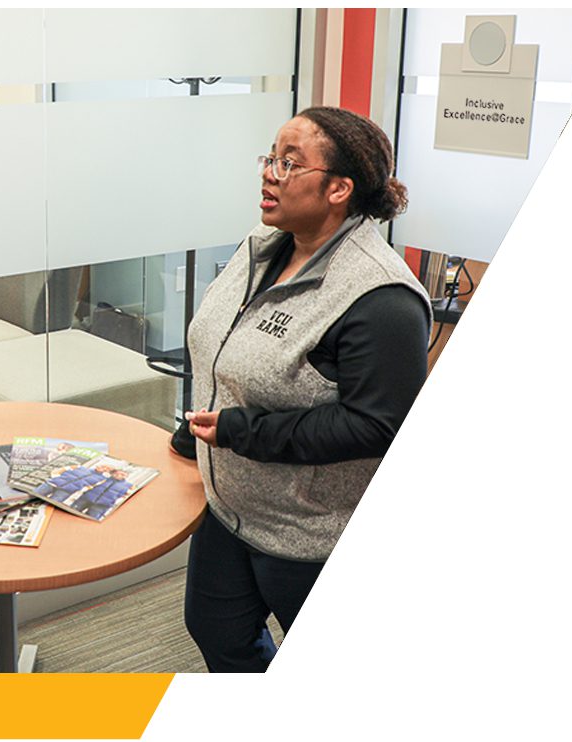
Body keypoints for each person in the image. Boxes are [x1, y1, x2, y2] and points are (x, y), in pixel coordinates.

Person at [174, 106, 430, 672]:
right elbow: (229, 355)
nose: (269, 173)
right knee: (218, 633)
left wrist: (242, 431)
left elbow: (379, 425)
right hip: (230, 508)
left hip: (313, 534)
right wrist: (201, 428)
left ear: (339, 188)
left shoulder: (380, 298)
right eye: (270, 158)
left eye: (289, 164)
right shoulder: (262, 250)